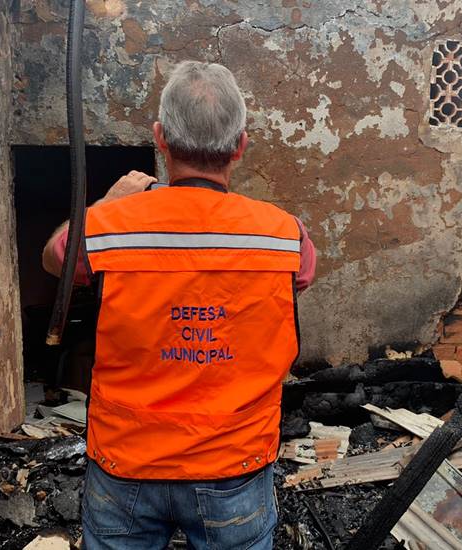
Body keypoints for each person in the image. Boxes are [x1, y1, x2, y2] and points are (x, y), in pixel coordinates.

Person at [42, 60, 316, 550]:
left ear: (161, 138)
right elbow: (294, 283)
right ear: (240, 146)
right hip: (236, 465)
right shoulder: (286, 235)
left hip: (126, 463)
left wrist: (106, 202)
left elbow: (52, 259)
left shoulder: (109, 228)